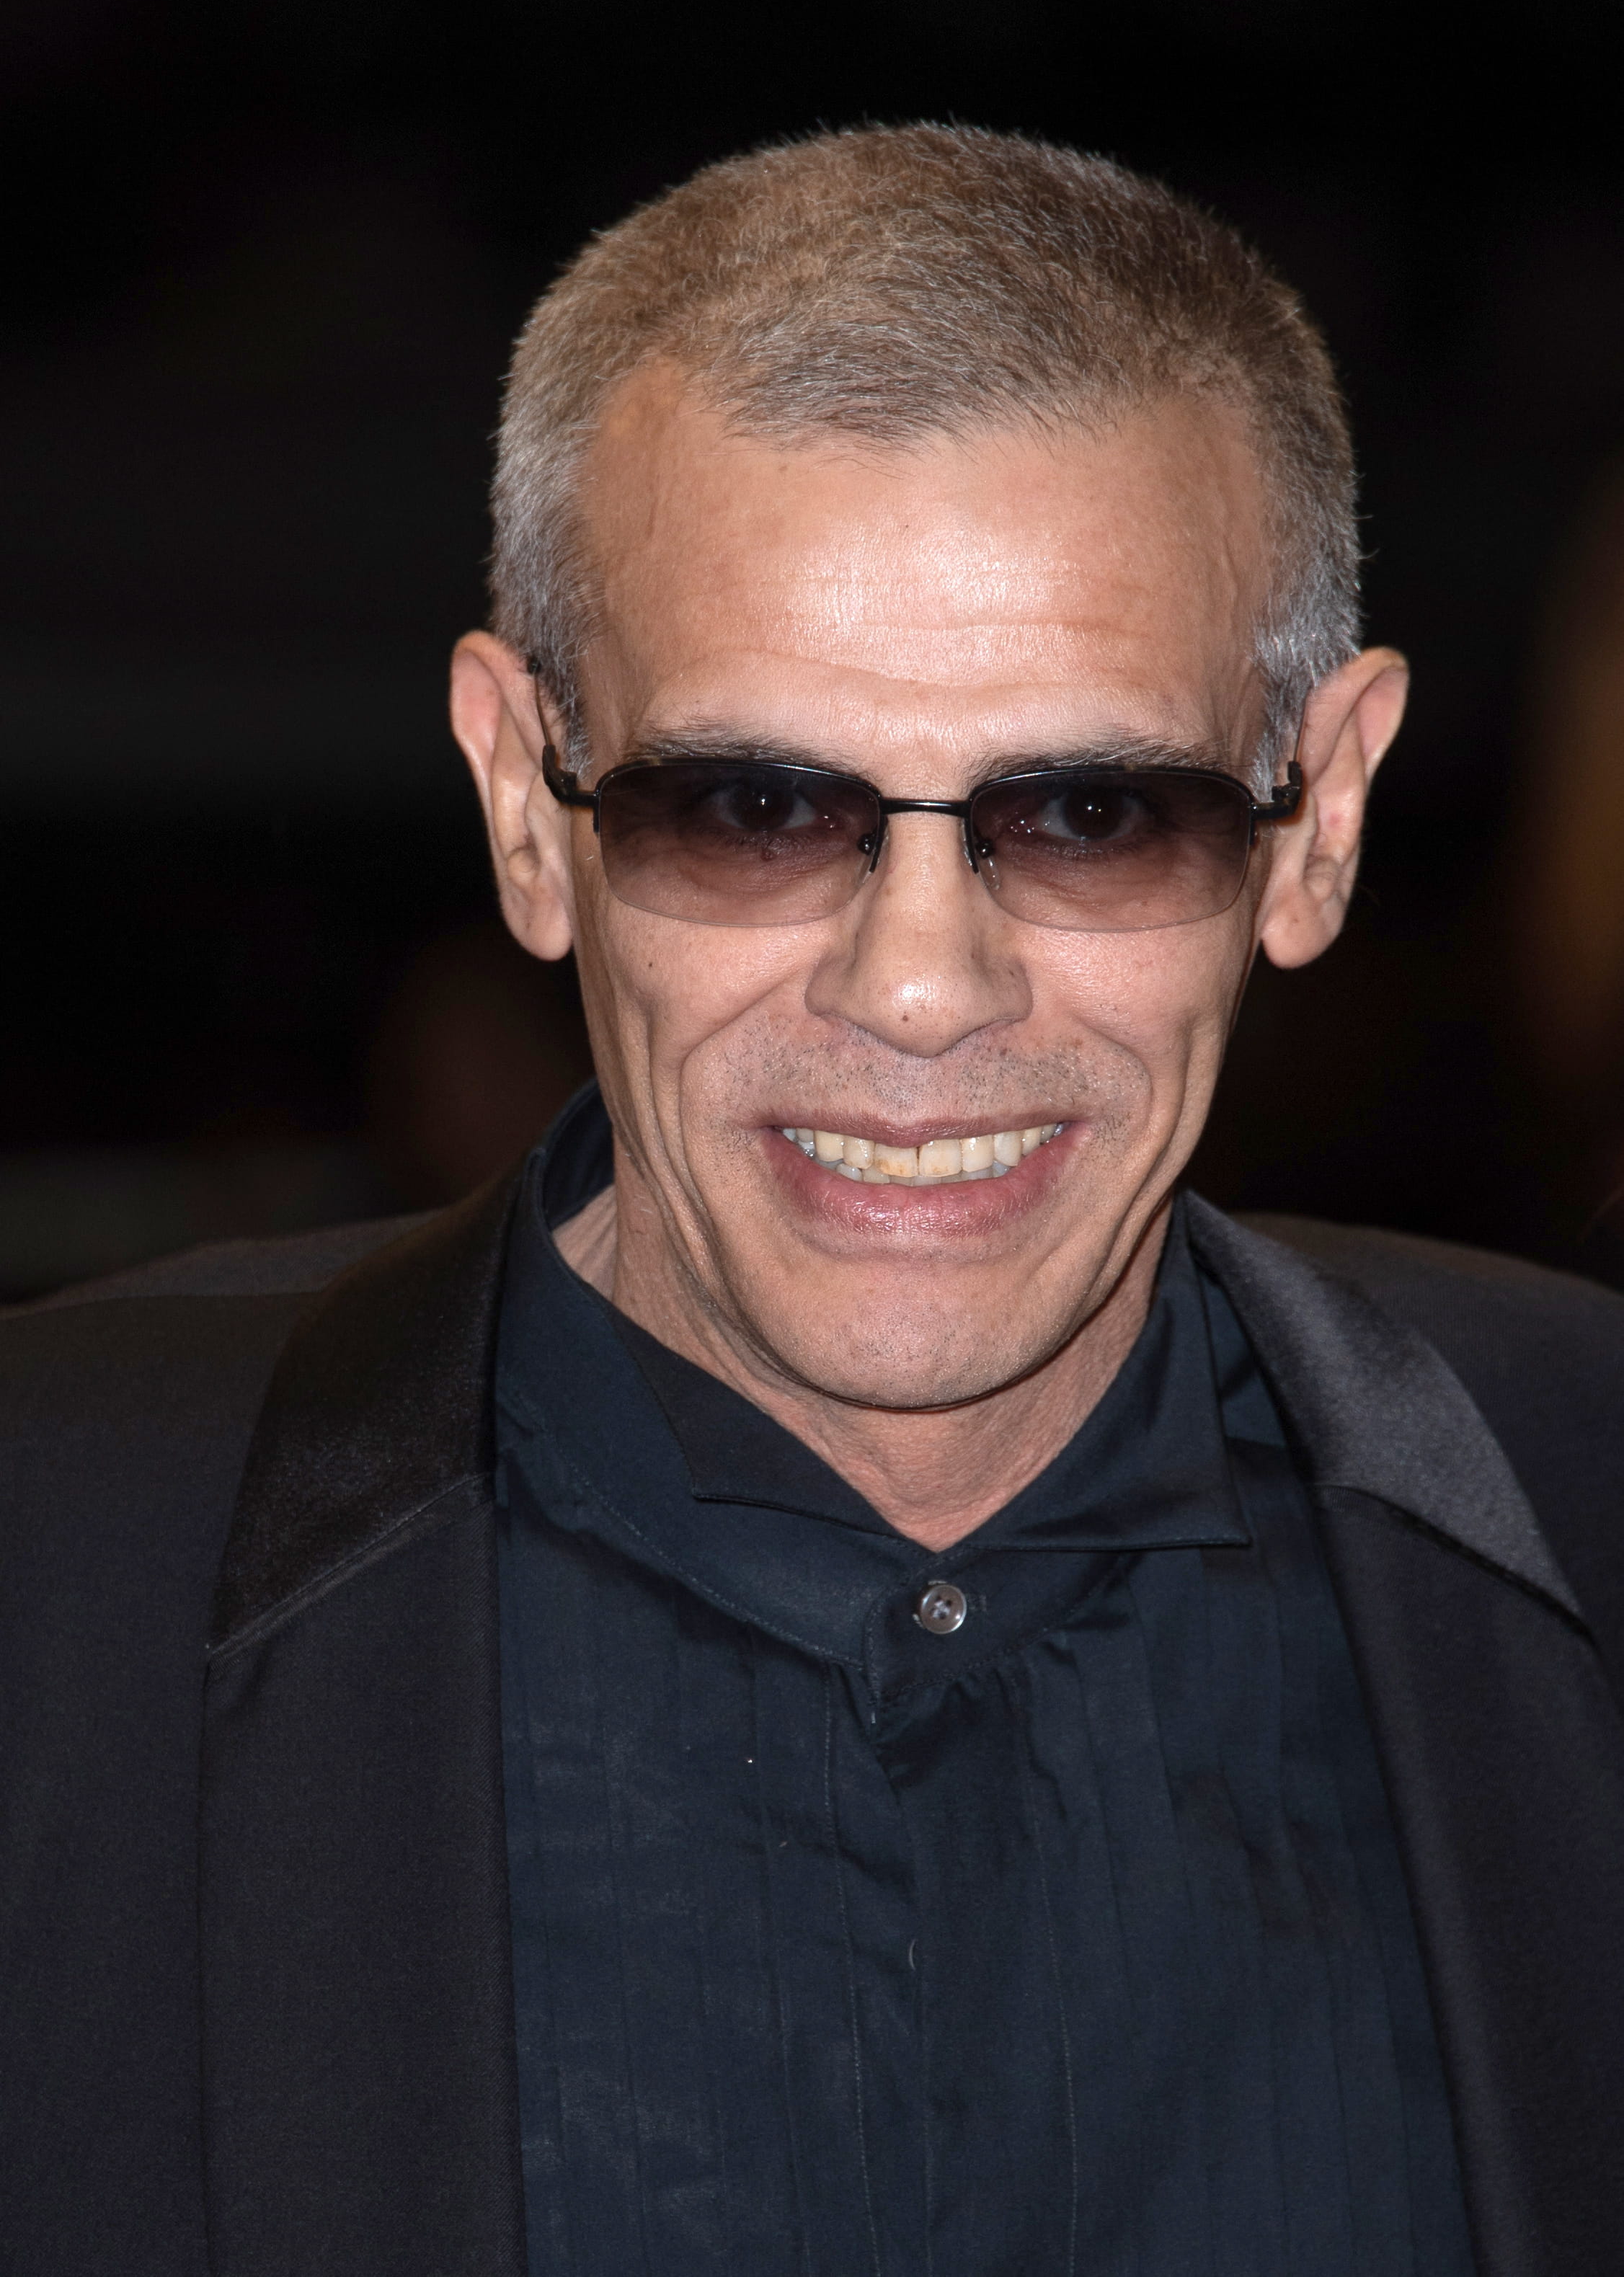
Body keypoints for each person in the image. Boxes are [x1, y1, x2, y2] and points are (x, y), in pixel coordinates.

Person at [4, 126, 1623, 2277]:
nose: (922, 985)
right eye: (753, 807)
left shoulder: (1586, 1501)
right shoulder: (54, 1579)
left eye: (1091, 812)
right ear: (526, 807)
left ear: (1316, 822)